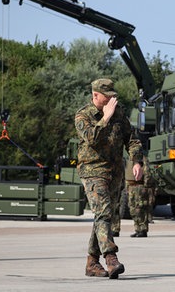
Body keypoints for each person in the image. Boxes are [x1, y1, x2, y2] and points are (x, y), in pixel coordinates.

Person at [75, 78, 144, 279]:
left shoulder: (119, 113)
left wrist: (137, 161)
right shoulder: (83, 115)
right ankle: (111, 258)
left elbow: (131, 140)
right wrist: (105, 118)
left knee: (104, 216)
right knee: (104, 213)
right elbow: (91, 138)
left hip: (115, 172)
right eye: (108, 96)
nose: (112, 99)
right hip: (93, 171)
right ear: (96, 95)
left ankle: (92, 263)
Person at [126, 156, 155, 237]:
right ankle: (137, 229)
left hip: (139, 186)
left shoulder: (141, 158)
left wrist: (146, 186)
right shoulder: (129, 159)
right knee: (132, 209)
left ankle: (143, 229)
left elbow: (147, 172)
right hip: (131, 186)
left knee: (140, 208)